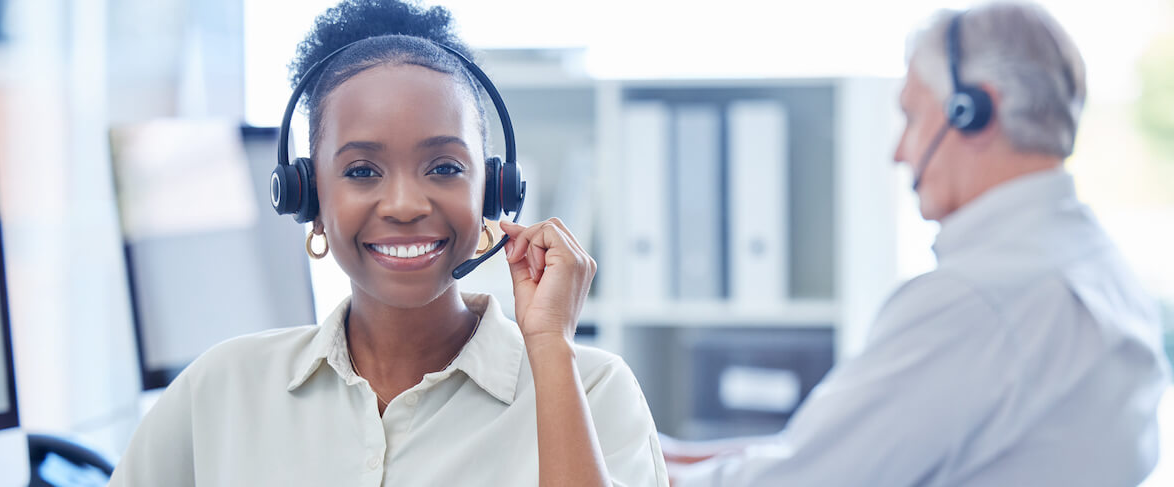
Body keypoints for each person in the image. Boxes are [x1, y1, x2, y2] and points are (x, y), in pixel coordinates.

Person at [109, 1, 668, 485]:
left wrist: (550, 347)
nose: (404, 204)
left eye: (445, 166)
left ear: (493, 194)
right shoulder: (221, 391)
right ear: (308, 199)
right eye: (360, 171)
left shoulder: (591, 388)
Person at [669, 2, 1170, 486]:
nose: (898, 153)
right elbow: (825, 453)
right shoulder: (1101, 267)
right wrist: (668, 454)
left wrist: (618, 471)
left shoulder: (973, 301)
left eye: (910, 116)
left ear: (973, 111)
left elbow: (797, 480)